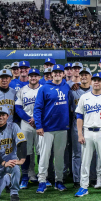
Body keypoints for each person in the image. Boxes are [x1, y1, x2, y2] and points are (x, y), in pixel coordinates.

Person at [74, 72, 101, 197]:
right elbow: (79, 116)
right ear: (91, 82)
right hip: (87, 132)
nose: (96, 82)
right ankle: (83, 187)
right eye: (95, 80)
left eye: (99, 80)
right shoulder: (84, 97)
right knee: (85, 161)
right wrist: (80, 134)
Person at [34, 63, 72, 193]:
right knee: (44, 156)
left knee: (60, 157)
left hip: (62, 128)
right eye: (54, 72)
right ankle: (42, 181)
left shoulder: (67, 87)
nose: (57, 74)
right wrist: (39, 126)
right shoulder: (44, 88)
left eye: (59, 72)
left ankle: (59, 180)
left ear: (63, 74)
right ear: (51, 74)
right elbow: (37, 108)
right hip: (47, 128)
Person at [0, 106, 27, 201]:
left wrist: (22, 159)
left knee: (15, 166)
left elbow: (22, 142)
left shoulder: (14, 126)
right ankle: (7, 179)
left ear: (7, 116)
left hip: (10, 161)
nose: (0, 117)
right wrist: (3, 163)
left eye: (3, 115)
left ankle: (14, 192)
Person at [14, 67, 43, 189]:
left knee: (41, 150)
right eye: (31, 76)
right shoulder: (22, 90)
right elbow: (18, 108)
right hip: (26, 123)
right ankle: (25, 176)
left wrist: (37, 120)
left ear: (39, 77)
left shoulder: (43, 89)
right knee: (25, 150)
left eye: (36, 76)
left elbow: (47, 107)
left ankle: (42, 176)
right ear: (28, 77)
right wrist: (28, 119)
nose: (33, 77)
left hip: (40, 123)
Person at [70, 67, 92, 188]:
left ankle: (92, 178)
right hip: (76, 124)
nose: (84, 76)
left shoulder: (96, 90)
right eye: (82, 74)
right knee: (77, 153)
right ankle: (77, 179)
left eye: (86, 74)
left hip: (91, 124)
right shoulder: (73, 91)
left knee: (92, 153)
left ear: (90, 77)